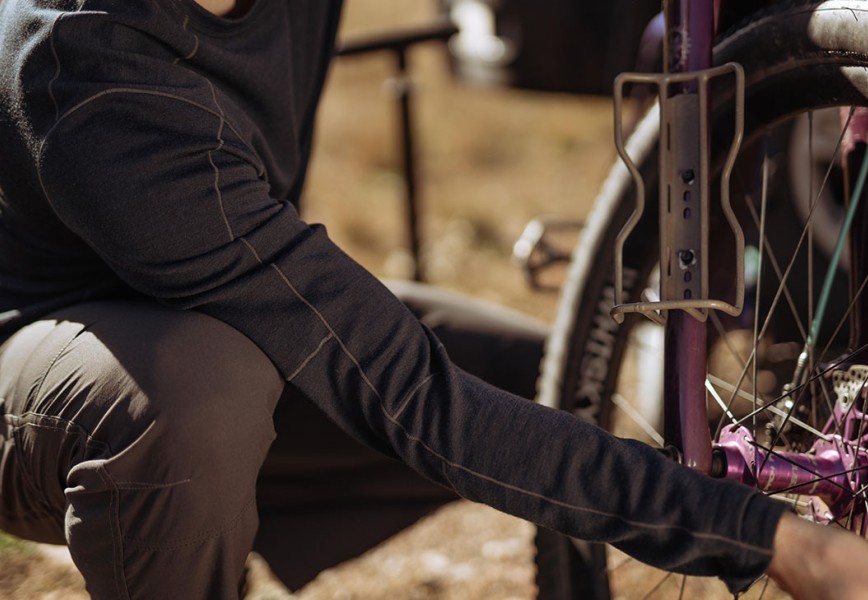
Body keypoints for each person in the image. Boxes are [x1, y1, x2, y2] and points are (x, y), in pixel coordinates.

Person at [0, 0, 866, 598]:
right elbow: (412, 395)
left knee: (552, 387)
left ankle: (200, 529)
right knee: (197, 396)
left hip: (221, 305)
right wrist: (771, 541)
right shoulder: (92, 70)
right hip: (44, 384)